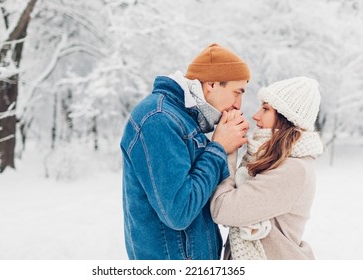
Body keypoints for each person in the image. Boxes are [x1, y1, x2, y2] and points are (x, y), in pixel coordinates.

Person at [120, 43, 250, 259]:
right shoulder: (159, 119)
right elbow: (179, 212)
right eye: (237, 93)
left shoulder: (185, 119)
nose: (238, 104)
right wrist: (218, 148)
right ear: (212, 84)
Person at [211, 76, 324, 260]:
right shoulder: (271, 158)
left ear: (285, 118)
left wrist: (225, 150)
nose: (256, 115)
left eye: (265, 109)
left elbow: (223, 209)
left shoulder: (293, 169)